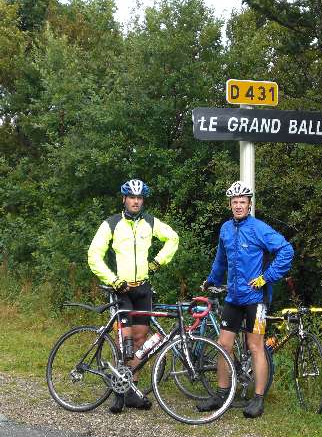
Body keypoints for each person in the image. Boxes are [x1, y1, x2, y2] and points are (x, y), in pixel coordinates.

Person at [199, 180, 294, 418]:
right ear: (230, 204)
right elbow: (221, 260)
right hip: (233, 297)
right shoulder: (225, 229)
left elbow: (286, 251)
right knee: (223, 345)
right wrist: (211, 280)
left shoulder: (259, 228)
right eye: (235, 202)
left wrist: (266, 277)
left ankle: (258, 399)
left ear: (249, 205)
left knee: (255, 346)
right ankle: (222, 394)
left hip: (256, 299)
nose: (238, 206)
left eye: (242, 202)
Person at [88, 178, 179, 414]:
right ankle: (118, 393)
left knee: (140, 342)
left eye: (139, 198)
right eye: (132, 197)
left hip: (143, 288)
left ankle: (132, 392)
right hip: (122, 289)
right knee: (124, 341)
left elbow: (173, 238)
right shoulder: (112, 223)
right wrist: (113, 280)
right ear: (124, 199)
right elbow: (94, 255)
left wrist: (158, 262)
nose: (136, 201)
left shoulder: (150, 222)